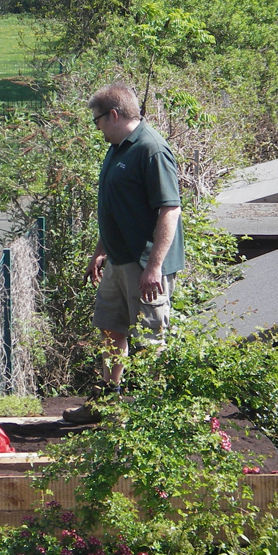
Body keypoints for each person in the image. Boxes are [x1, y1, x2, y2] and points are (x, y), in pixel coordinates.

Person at [63, 83, 185, 424]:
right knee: (109, 329)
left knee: (151, 339)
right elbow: (116, 208)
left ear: (113, 115)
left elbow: (170, 210)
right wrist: (100, 251)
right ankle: (107, 403)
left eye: (97, 120)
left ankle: (157, 418)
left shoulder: (151, 149)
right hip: (117, 262)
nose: (96, 127)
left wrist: (154, 266)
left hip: (145, 267)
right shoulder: (117, 148)